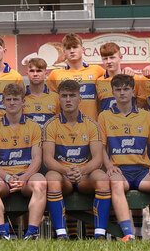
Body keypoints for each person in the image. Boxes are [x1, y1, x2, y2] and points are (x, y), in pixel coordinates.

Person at [97, 73, 150, 241]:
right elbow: (101, 147)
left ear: (133, 92)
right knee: (116, 184)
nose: (122, 93)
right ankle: (128, 235)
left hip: (142, 172)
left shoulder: (145, 115)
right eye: (118, 90)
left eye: (126, 89)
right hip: (120, 171)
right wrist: (109, 166)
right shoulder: (104, 116)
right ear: (113, 93)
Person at [42, 80, 108, 239]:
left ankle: (99, 235)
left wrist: (82, 170)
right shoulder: (50, 125)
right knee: (51, 177)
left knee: (102, 178)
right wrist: (66, 171)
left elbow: (98, 159)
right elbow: (47, 159)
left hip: (84, 176)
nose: (68, 99)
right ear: (59, 99)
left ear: (80, 99)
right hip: (63, 175)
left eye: (72, 96)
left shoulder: (92, 124)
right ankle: (61, 234)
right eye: (64, 96)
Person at [0, 83, 47, 239]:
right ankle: (2, 234)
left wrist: (24, 178)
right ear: (3, 102)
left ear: (23, 102)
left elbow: (37, 158)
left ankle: (31, 233)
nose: (12, 102)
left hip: (26, 178)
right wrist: (7, 178)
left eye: (16, 99)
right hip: (5, 178)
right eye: (9, 99)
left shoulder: (34, 127)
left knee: (40, 182)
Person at [46, 34, 105, 121]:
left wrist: (127, 70)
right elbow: (47, 100)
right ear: (64, 52)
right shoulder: (55, 74)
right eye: (68, 48)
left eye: (75, 47)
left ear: (82, 49)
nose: (72, 51)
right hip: (65, 127)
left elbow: (114, 78)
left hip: (91, 127)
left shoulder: (97, 70)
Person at [23, 57, 60, 129]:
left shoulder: (56, 98)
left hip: (50, 139)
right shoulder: (21, 97)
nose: (35, 74)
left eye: (39, 71)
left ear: (46, 74)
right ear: (27, 74)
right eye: (32, 71)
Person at [96, 42, 132, 114]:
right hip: (107, 124)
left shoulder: (133, 78)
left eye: (112, 57)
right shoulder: (98, 82)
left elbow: (141, 104)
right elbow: (97, 107)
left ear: (120, 58)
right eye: (105, 59)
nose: (108, 61)